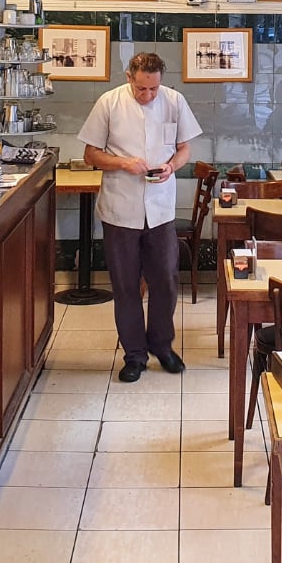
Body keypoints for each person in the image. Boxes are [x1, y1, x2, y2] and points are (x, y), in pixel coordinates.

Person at [79, 52, 202, 383]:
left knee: (165, 280)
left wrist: (172, 166)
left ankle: (162, 346)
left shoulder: (174, 101)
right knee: (125, 285)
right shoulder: (109, 103)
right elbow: (90, 154)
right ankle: (134, 354)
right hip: (121, 208)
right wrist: (122, 163)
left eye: (153, 89)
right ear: (129, 77)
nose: (148, 95)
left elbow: (185, 149)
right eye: (142, 89)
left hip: (160, 208)